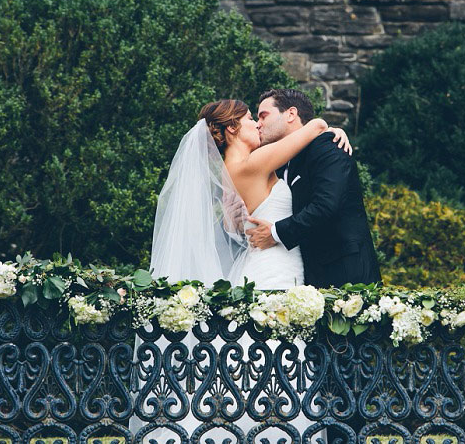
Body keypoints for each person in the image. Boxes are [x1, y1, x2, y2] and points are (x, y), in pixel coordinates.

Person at [137, 97, 351, 443]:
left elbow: (239, 224)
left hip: (266, 262)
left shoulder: (231, 168)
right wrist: (329, 129)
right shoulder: (249, 164)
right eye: (251, 119)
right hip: (273, 268)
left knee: (262, 364)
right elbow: (311, 128)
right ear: (233, 128)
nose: (258, 125)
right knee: (279, 363)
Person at [246, 89, 381, 289]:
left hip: (345, 275)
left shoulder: (329, 148)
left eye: (263, 116)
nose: (259, 124)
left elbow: (326, 205)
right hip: (305, 275)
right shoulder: (280, 162)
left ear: (291, 114)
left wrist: (275, 233)